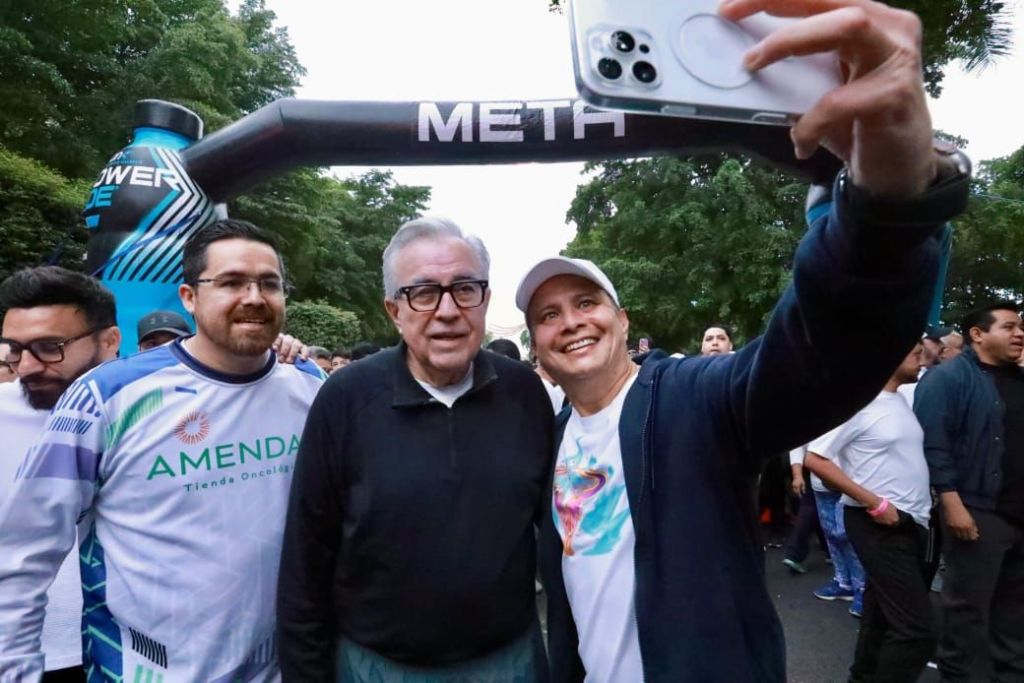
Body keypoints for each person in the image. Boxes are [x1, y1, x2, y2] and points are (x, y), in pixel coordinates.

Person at [515, 0, 971, 676]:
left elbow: (822, 349)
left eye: (586, 302)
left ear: (624, 320)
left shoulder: (693, 396)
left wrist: (885, 206)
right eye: (548, 315)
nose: (571, 321)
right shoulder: (549, 437)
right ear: (536, 345)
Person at [0, 220, 324, 681]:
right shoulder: (107, 396)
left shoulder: (311, 386)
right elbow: (24, 551)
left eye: (269, 283)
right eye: (231, 282)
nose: (254, 297)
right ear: (189, 297)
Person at [278, 217, 553, 681]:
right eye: (423, 293)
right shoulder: (345, 399)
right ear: (394, 310)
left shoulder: (524, 393)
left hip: (510, 662)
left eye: (464, 288)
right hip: (378, 668)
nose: (447, 310)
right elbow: (307, 556)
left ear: (485, 299)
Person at [0, 266, 123, 682]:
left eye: (49, 347)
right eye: (14, 349)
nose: (27, 366)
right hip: (30, 655)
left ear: (109, 342)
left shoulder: (154, 412)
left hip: (133, 652)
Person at [804, 343, 937, 683]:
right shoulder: (858, 403)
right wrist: (875, 503)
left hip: (913, 521)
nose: (922, 357)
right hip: (878, 523)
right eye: (914, 351)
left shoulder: (901, 399)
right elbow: (816, 458)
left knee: (881, 617)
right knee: (917, 631)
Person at [914, 301, 1024, 681]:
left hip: (1018, 513)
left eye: (1020, 327)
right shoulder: (947, 379)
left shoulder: (1019, 378)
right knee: (967, 611)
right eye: (1009, 327)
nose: (1019, 333)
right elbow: (933, 444)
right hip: (978, 511)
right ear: (978, 334)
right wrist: (951, 502)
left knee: (1013, 612)